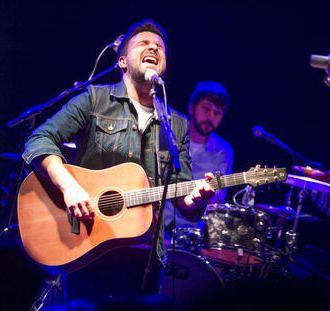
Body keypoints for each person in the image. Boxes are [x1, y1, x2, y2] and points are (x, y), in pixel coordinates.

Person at [22, 20, 214, 301]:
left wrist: (198, 198)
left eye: (159, 46)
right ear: (122, 61)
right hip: (88, 244)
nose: (153, 48)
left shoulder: (178, 125)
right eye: (144, 44)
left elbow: (182, 194)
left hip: (145, 257)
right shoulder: (94, 100)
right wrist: (69, 187)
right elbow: (40, 139)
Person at [165, 81, 233, 229]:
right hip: (153, 222)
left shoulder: (223, 151)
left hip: (189, 232)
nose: (210, 116)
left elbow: (217, 200)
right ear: (192, 107)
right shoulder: (170, 129)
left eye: (217, 113)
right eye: (206, 108)